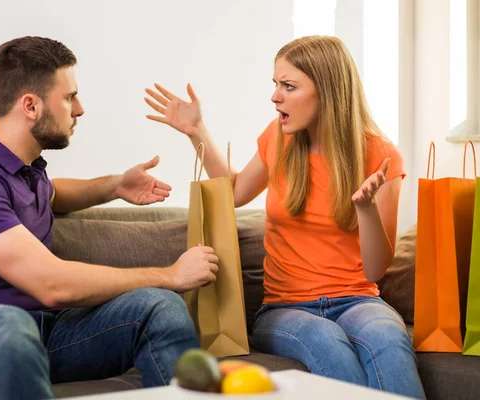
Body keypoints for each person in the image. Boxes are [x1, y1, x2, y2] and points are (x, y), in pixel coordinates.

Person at [0, 36, 219, 400]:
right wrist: (170, 275)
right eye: (70, 97)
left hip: (37, 333)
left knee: (160, 306)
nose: (80, 108)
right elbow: (52, 286)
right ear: (31, 105)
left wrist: (115, 185)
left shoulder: (26, 171)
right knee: (9, 323)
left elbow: (54, 193)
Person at [144, 35, 425, 399]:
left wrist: (366, 210)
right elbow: (234, 193)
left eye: (288, 86)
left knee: (389, 337)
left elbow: (374, 272)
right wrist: (197, 131)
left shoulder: (381, 155)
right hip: (284, 308)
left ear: (327, 91)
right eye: (275, 84)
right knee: (326, 339)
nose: (275, 96)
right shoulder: (278, 138)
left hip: (358, 299)